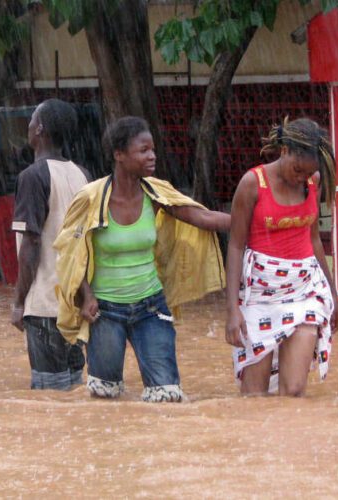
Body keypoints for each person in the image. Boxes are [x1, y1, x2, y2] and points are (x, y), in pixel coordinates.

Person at [54, 116, 230, 402]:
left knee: (167, 396)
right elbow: (72, 255)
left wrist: (252, 221)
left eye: (152, 149)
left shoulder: (157, 193)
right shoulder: (90, 199)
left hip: (151, 306)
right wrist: (85, 296)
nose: (152, 156)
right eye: (143, 150)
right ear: (119, 155)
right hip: (105, 311)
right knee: (105, 397)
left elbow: (202, 217)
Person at [225, 117, 338, 397]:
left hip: (304, 291)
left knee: (293, 392)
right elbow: (236, 246)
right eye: (297, 170)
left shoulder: (313, 181)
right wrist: (232, 310)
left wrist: (333, 296)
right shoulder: (252, 183)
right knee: (254, 395)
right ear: (284, 150)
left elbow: (314, 241)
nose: (301, 178)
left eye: (308, 173)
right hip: (259, 296)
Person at [10, 99, 91, 390]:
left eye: (32, 119)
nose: (29, 126)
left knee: (49, 398)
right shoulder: (83, 175)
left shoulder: (32, 177)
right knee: (73, 388)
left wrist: (19, 302)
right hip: (77, 305)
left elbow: (30, 244)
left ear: (40, 128)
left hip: (45, 305)